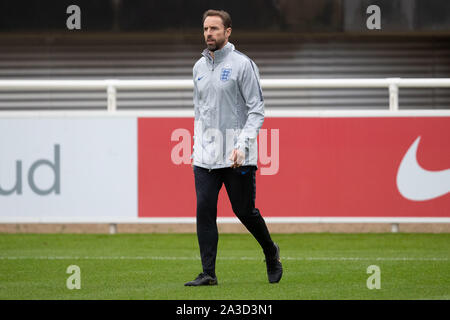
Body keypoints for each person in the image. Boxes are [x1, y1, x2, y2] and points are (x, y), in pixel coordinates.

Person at [184, 9, 282, 287]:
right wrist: (196, 146)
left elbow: (256, 110)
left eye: (214, 29)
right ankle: (208, 273)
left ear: (228, 32)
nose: (208, 34)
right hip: (205, 157)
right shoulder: (198, 68)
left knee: (244, 211)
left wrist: (243, 146)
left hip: (237, 156)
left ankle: (270, 252)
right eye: (205, 29)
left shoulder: (243, 65)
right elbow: (199, 112)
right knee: (204, 209)